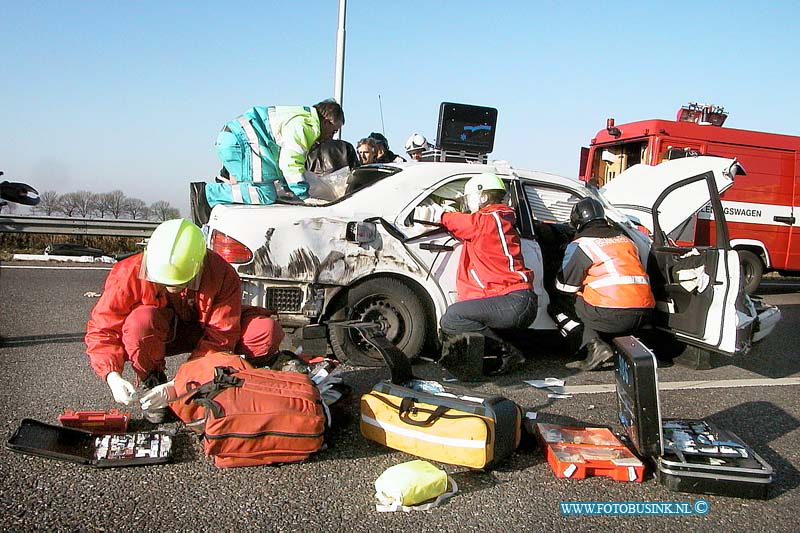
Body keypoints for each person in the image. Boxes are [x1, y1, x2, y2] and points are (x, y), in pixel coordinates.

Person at [85, 218, 285, 422]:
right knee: (139, 322)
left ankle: (242, 381)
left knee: (264, 331)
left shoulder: (221, 273)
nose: (170, 286)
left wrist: (179, 384)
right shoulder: (129, 271)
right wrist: (112, 376)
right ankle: (152, 380)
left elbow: (222, 335)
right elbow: (102, 328)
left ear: (200, 265)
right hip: (159, 334)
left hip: (206, 330)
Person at [415, 173, 537, 375]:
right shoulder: (500, 218)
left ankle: (508, 351)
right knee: (462, 314)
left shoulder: (488, 220)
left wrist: (440, 213)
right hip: (518, 300)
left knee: (453, 317)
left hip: (513, 301)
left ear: (482, 197)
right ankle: (504, 350)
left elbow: (458, 222)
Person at [556, 197, 655, 371]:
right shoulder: (627, 240)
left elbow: (565, 287)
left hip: (611, 315)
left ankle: (593, 346)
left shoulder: (582, 244)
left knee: (559, 303)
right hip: (645, 314)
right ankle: (631, 344)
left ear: (577, 222)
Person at [205, 99, 345, 207]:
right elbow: (290, 162)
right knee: (265, 195)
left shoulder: (301, 117)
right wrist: (304, 196)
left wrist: (289, 188)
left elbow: (279, 161)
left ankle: (217, 195)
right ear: (326, 121)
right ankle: (209, 193)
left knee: (253, 192)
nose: (331, 137)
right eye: (333, 131)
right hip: (242, 141)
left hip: (234, 139)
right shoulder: (305, 126)